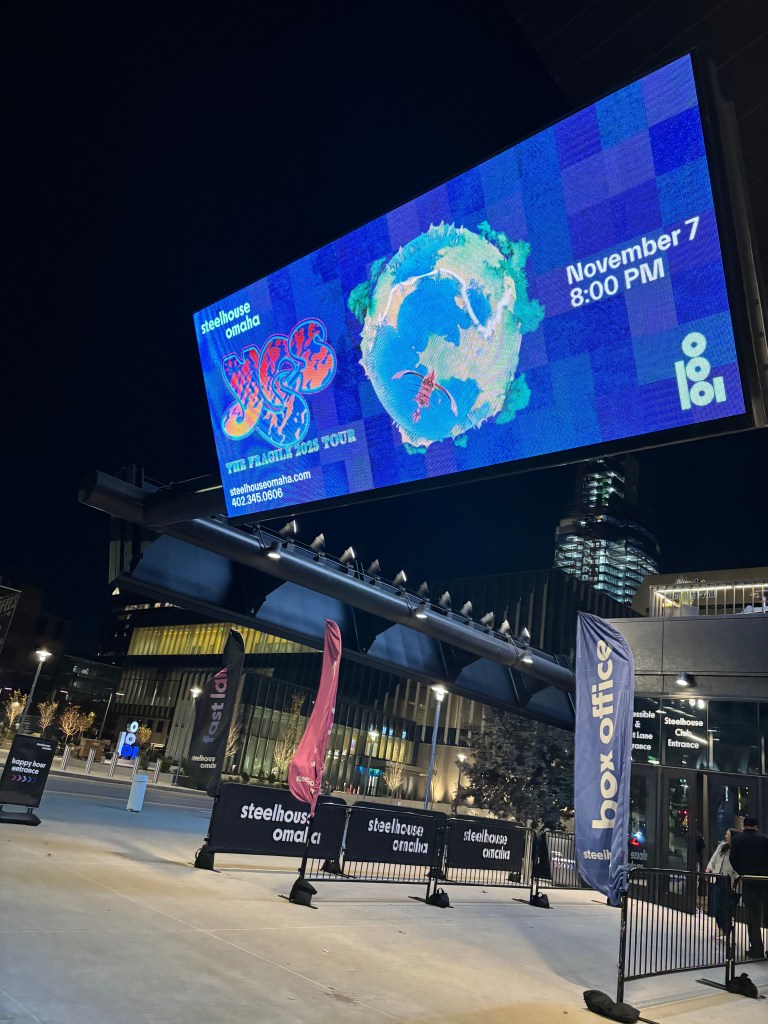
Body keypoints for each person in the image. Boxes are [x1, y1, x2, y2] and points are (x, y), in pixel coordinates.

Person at [728, 815, 768, 959]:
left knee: (752, 916)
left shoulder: (737, 840)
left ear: (744, 825)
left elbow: (733, 860)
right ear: (757, 826)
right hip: (765, 882)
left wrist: (743, 872)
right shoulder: (764, 839)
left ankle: (756, 949)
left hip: (749, 882)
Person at [705, 828, 740, 934]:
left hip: (728, 880)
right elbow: (714, 858)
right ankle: (721, 926)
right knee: (717, 905)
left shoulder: (736, 850)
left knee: (725, 906)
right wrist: (709, 868)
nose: (726, 836)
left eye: (728, 835)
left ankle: (726, 929)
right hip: (718, 878)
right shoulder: (721, 846)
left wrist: (734, 876)